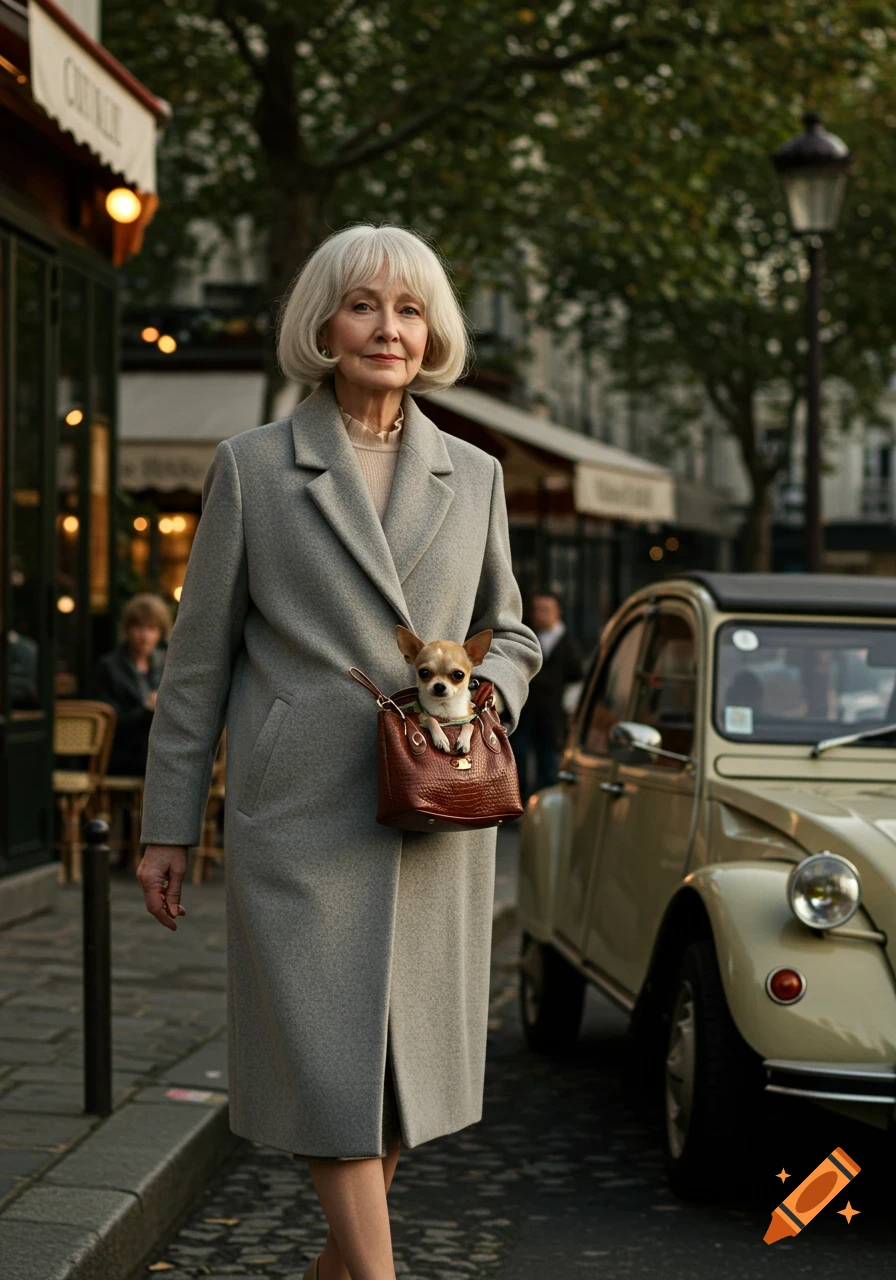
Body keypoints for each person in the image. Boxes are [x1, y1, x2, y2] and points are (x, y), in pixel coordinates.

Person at [135, 224, 542, 1280]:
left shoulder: (477, 472)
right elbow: (195, 664)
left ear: (433, 331)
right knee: (328, 1074)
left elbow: (516, 627)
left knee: (397, 1085)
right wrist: (168, 825)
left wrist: (478, 701)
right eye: (364, 305)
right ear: (322, 321)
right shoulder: (254, 468)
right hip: (300, 812)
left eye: (409, 310)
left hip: (434, 814)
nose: (388, 329)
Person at [511, 592, 584, 801]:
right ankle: (517, 803)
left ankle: (545, 803)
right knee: (518, 758)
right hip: (525, 711)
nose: (540, 615)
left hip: (553, 715)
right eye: (536, 610)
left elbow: (577, 679)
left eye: (545, 610)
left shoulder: (569, 643)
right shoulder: (526, 638)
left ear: (558, 612)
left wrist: (570, 708)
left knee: (548, 761)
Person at [88, 593, 170, 776]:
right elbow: (108, 720)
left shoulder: (165, 665)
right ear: (127, 629)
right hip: (124, 751)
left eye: (151, 628)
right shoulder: (109, 666)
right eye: (138, 627)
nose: (144, 636)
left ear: (160, 632)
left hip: (159, 749)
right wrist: (145, 709)